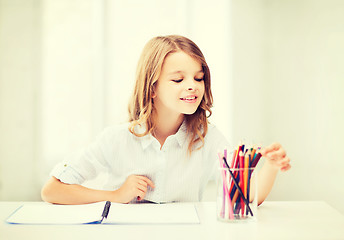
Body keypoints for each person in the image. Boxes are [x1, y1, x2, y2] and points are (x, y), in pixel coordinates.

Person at [41, 35, 291, 205]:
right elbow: (52, 190)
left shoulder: (207, 137)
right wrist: (116, 195)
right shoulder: (116, 138)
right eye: (178, 79)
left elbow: (244, 198)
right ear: (152, 88)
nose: (192, 86)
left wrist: (270, 166)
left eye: (199, 77)